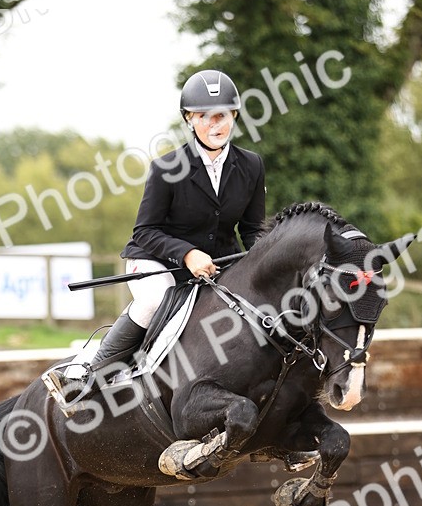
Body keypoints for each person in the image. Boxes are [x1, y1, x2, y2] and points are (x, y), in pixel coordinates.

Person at [44, 69, 266, 412]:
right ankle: (88, 375)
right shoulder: (167, 167)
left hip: (217, 263)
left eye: (222, 115)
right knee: (156, 301)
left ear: (234, 116)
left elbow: (252, 231)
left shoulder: (251, 165)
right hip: (155, 258)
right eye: (204, 116)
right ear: (190, 120)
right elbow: (145, 231)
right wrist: (188, 253)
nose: (214, 124)